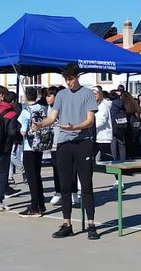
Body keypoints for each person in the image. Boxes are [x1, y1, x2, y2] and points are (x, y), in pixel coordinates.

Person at [34, 64, 99, 239]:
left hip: (83, 142)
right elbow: (52, 117)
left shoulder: (87, 94)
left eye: (71, 79)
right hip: (64, 143)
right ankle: (67, 223)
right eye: (66, 80)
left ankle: (91, 224)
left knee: (86, 185)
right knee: (64, 185)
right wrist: (41, 124)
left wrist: (75, 127)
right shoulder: (61, 95)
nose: (68, 83)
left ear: (77, 77)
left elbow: (90, 121)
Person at [18, 87, 49, 216]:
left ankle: (34, 206)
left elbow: (23, 130)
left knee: (31, 177)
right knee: (37, 175)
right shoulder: (43, 108)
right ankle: (41, 204)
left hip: (29, 146)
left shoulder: (26, 111)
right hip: (40, 144)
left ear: (26, 97)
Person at [93, 87, 113, 162]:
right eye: (92, 94)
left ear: (100, 94)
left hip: (104, 137)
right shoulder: (96, 105)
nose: (94, 96)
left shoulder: (103, 106)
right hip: (97, 136)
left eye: (95, 94)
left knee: (106, 157)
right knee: (95, 157)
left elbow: (101, 120)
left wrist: (90, 126)